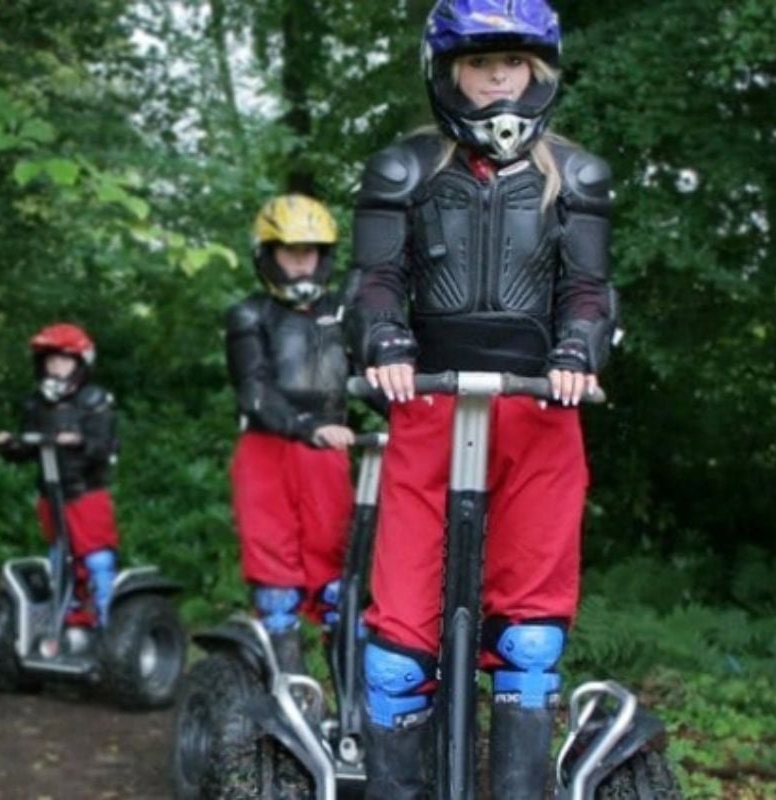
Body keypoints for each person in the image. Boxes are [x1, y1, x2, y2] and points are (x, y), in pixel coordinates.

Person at [348, 1, 618, 797]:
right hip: (429, 405)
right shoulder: (405, 168)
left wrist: (578, 347)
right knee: (398, 645)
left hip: (539, 411)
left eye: (512, 62)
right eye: (478, 63)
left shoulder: (577, 174)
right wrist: (384, 340)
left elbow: (591, 292)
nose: (497, 77)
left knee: (530, 641)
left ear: (538, 70)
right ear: (448, 73)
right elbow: (372, 282)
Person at [225, 194, 357, 674]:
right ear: (269, 255)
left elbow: (376, 380)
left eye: (311, 252)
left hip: (328, 453)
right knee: (276, 586)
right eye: (290, 251)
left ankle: (357, 717)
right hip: (267, 450)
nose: (302, 262)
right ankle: (285, 706)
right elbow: (253, 388)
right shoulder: (249, 315)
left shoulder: (344, 314)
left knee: (338, 583)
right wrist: (305, 427)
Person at [0, 323, 120, 631]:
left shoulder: (96, 400)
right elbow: (27, 447)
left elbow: (104, 446)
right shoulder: (36, 403)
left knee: (97, 560)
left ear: (79, 364)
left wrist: (78, 441)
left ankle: (110, 624)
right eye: (50, 361)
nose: (56, 367)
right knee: (59, 558)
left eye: (63, 361)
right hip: (51, 495)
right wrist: (10, 445)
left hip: (86, 492)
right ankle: (66, 618)